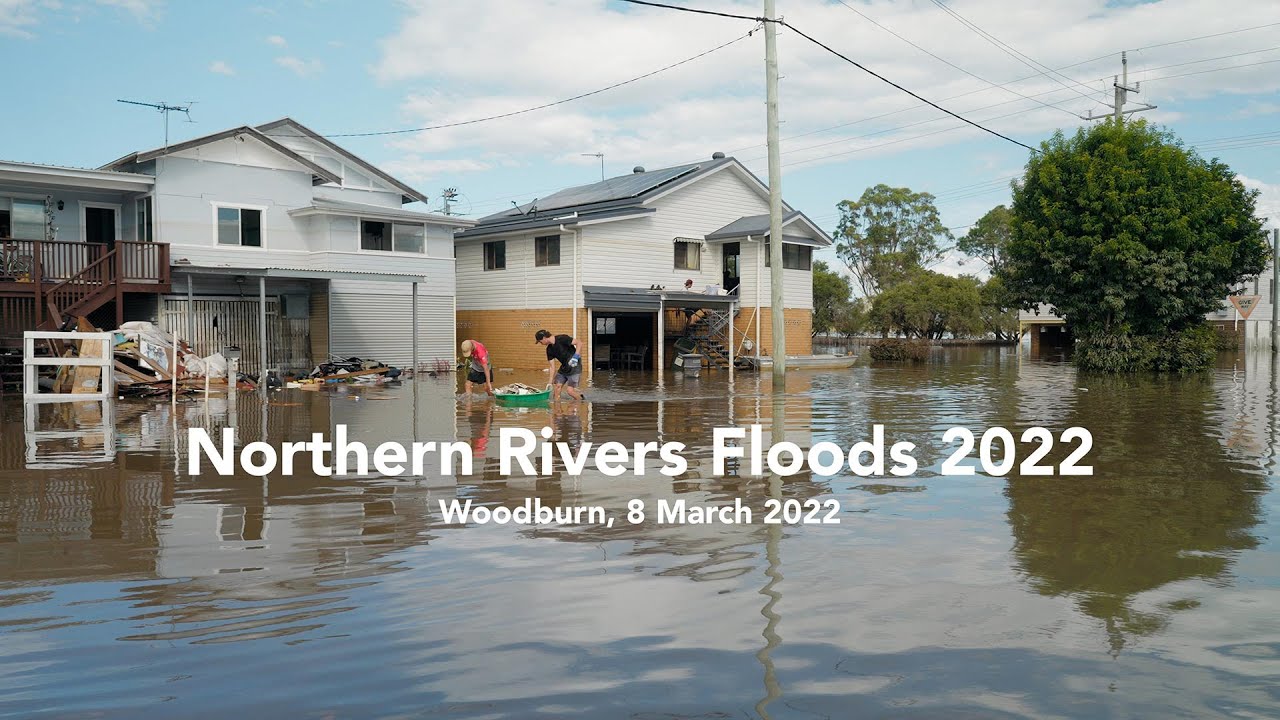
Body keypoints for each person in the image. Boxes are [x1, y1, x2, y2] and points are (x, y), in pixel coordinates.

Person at [535, 329, 585, 402]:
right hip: (564, 367)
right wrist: (550, 382)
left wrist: (576, 356)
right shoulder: (549, 349)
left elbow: (579, 343)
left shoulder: (562, 338)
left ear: (544, 338)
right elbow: (552, 367)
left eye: (540, 341)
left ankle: (582, 401)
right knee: (557, 388)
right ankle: (557, 410)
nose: (540, 343)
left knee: (570, 391)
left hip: (575, 366)